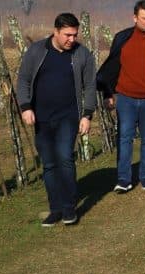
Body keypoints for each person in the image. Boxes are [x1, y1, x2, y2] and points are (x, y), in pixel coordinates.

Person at [16, 12, 97, 226]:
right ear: (56, 32)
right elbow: (23, 79)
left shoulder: (83, 55)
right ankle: (55, 209)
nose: (72, 39)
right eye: (67, 35)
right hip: (41, 118)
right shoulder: (37, 51)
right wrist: (25, 107)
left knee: (65, 158)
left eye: (75, 35)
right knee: (49, 164)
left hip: (68, 117)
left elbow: (90, 86)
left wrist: (87, 114)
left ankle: (70, 208)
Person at [96, 0, 145, 193]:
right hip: (125, 98)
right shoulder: (122, 38)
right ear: (135, 18)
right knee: (125, 138)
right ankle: (124, 180)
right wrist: (108, 93)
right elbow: (112, 68)